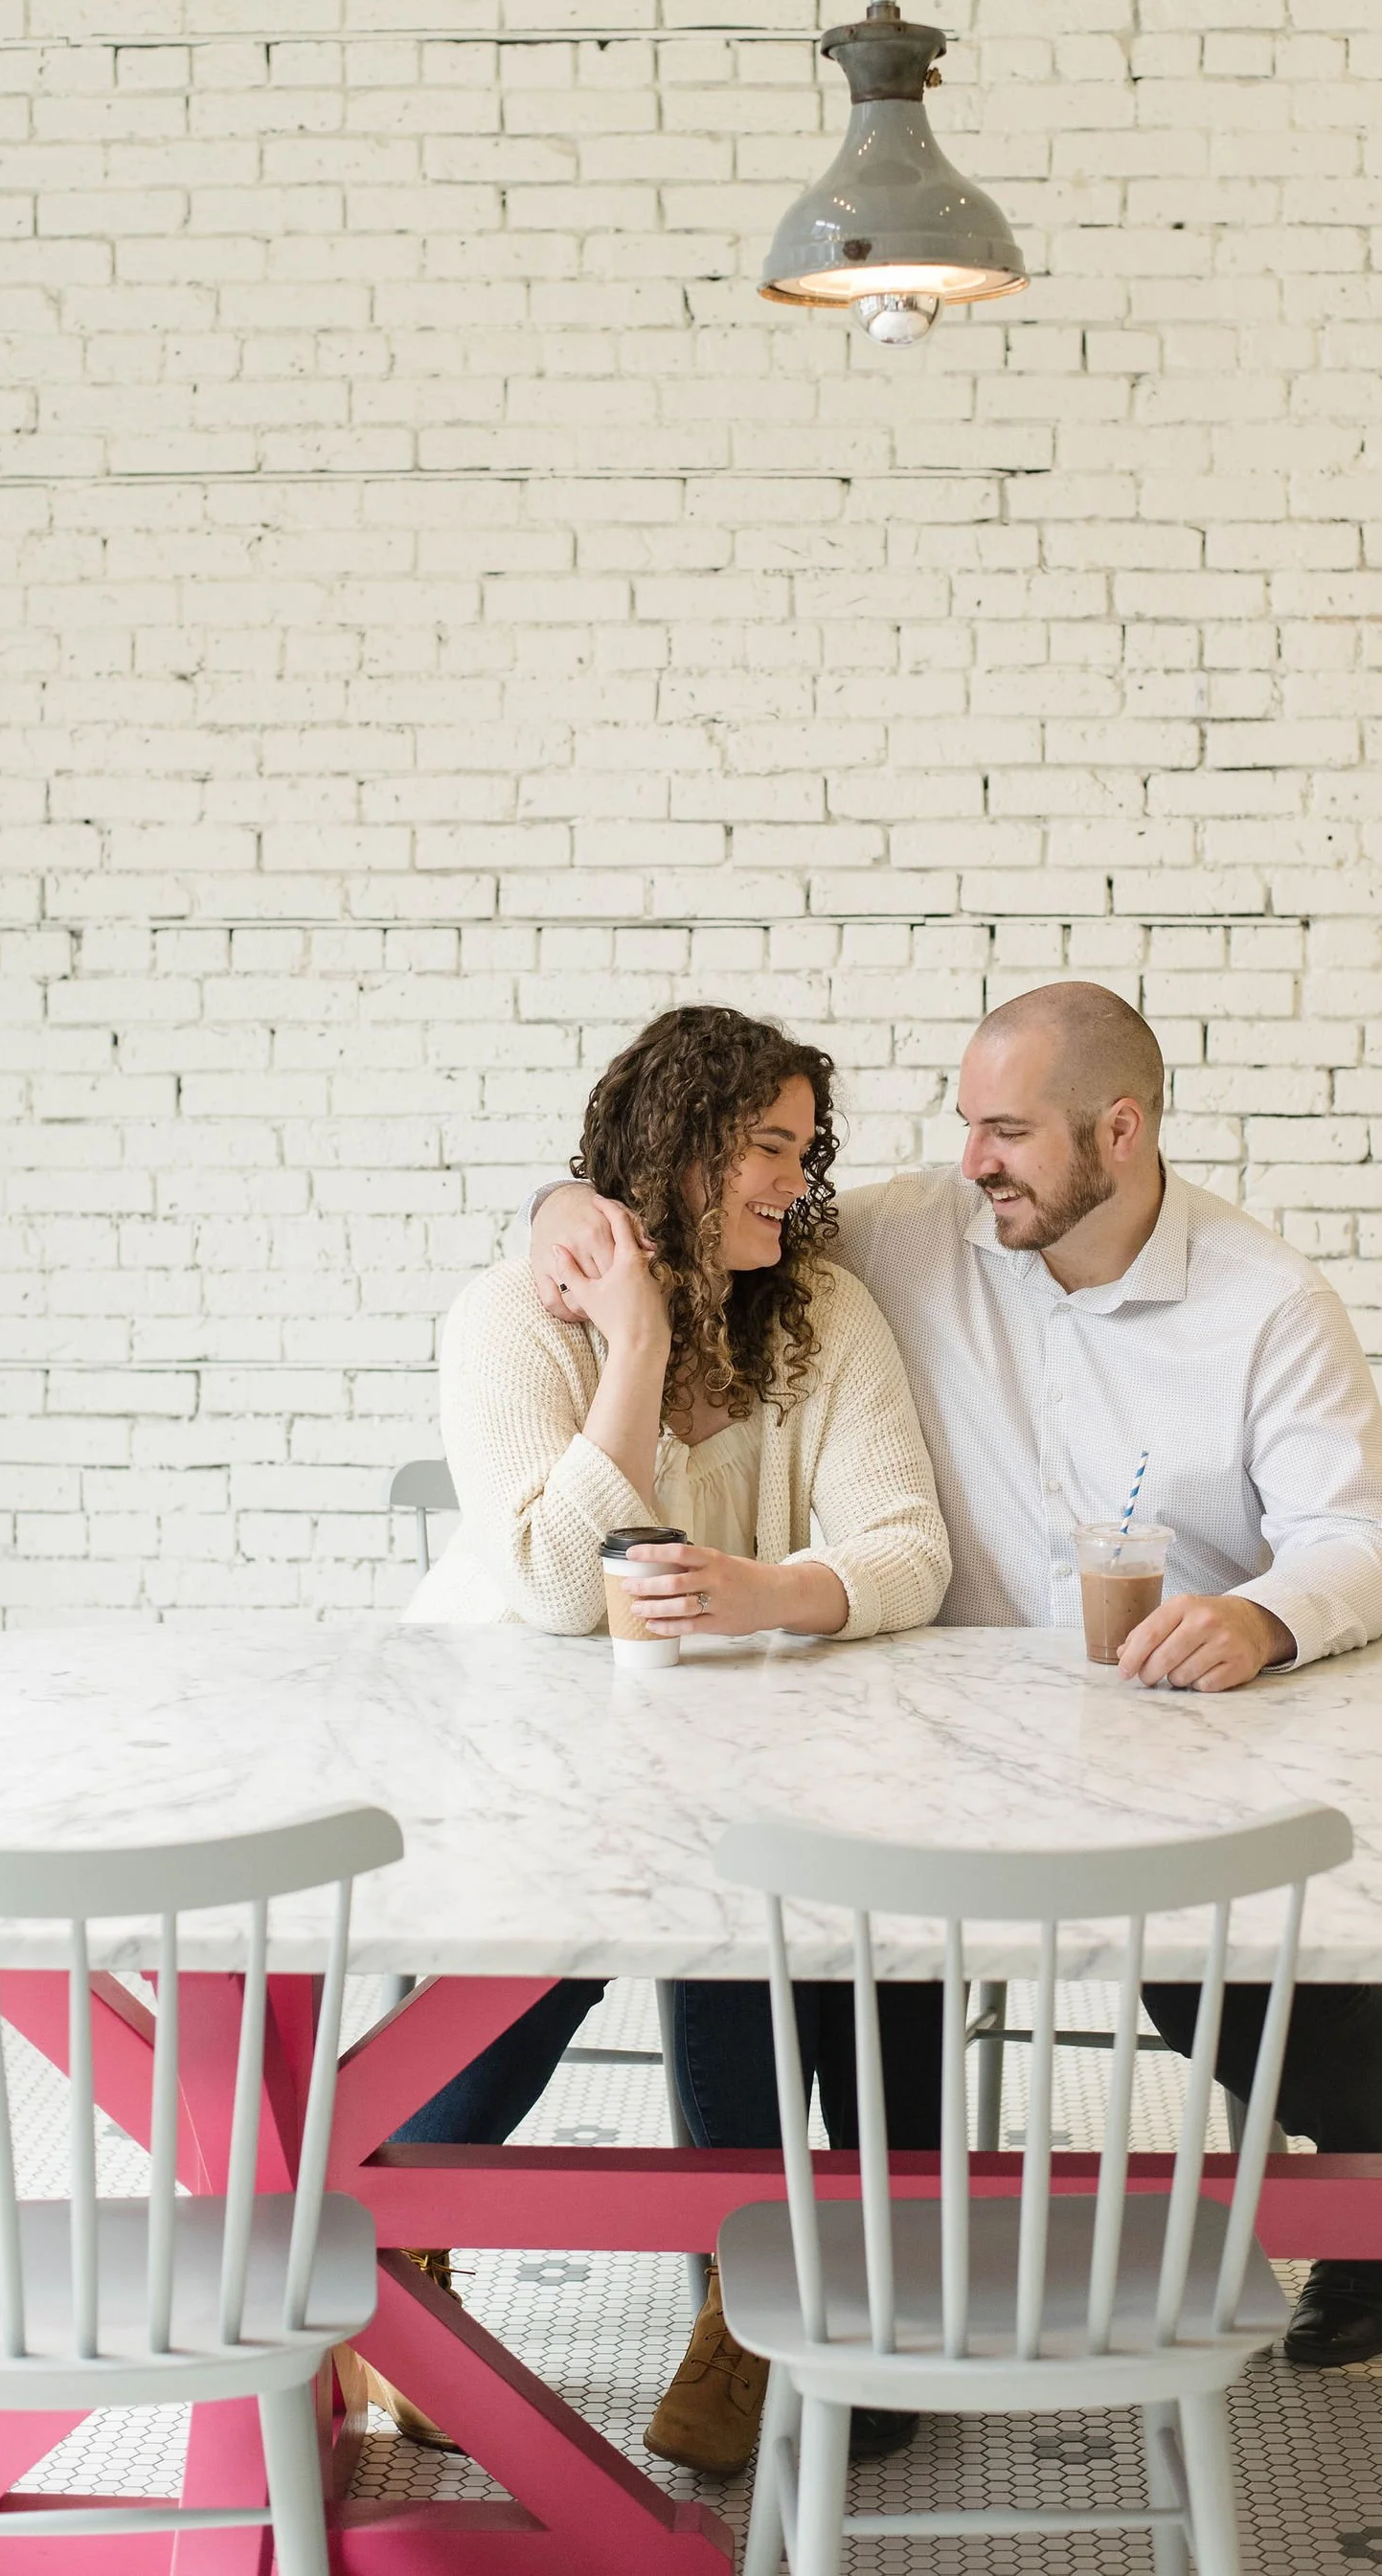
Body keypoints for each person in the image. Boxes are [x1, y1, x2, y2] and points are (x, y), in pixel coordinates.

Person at [531, 982, 1382, 2372]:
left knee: (1226, 1979)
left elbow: (1361, 1537)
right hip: (924, 1726)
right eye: (965, 1124)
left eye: (1006, 1131)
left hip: (1173, 1720)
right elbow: (711, 1212)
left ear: (1118, 1132)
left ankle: (1376, 2207)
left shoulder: (1267, 1304)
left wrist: (1261, 1616)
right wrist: (558, 1209)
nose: (970, 1161)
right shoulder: (915, 1234)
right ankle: (794, 2275)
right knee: (812, 1944)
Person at [397, 1004, 951, 2474]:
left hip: (731, 1754)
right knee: (555, 1945)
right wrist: (636, 1341)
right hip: (516, 1757)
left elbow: (908, 1547)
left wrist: (771, 1588)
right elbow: (547, 1591)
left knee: (743, 1914)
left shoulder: (821, 1315)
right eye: (765, 1148)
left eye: (802, 1149)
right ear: (685, 1154)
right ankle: (402, 2238)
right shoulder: (510, 1321)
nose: (794, 1178)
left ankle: (734, 2292)